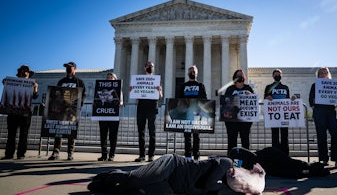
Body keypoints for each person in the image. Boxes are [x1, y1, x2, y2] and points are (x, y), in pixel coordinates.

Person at [87, 152, 266, 195]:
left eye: (244, 189)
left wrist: (255, 185)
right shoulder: (226, 163)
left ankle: (105, 189)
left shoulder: (227, 188)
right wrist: (258, 172)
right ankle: (110, 175)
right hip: (171, 165)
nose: (241, 187)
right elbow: (208, 184)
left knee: (136, 192)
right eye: (244, 183)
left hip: (172, 187)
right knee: (133, 180)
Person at [309, 67, 337, 168]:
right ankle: (323, 159)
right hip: (319, 112)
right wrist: (315, 104)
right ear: (318, 75)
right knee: (321, 136)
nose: (323, 74)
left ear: (328, 74)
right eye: (321, 73)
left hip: (331, 111)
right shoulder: (315, 85)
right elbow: (311, 100)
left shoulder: (333, 85)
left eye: (325, 73)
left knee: (336, 134)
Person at [48, 62, 86, 161]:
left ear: (75, 69)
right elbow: (56, 93)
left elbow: (83, 95)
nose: (68, 69)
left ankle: (70, 153)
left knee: (71, 131)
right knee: (59, 131)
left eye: (70, 67)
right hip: (61, 110)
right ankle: (56, 152)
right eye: (67, 68)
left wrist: (79, 106)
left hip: (72, 111)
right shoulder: (61, 81)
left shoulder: (79, 82)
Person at [1, 65, 39, 160]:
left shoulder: (32, 84)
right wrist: (6, 84)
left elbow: (35, 97)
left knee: (24, 134)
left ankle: (21, 154)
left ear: (29, 74)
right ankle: (9, 153)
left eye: (26, 71)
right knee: (11, 134)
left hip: (25, 113)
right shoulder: (12, 82)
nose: (25, 73)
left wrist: (35, 88)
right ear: (19, 72)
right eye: (23, 71)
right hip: (13, 112)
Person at [228, 146, 330, 179]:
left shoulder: (234, 153)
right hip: (266, 166)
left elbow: (250, 158)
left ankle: (312, 166)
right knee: (289, 172)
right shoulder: (233, 159)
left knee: (292, 164)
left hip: (268, 156)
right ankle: (311, 172)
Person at [131, 61, 163, 162]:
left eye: (152, 66)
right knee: (141, 132)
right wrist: (132, 90)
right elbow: (135, 94)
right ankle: (141, 155)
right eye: (149, 66)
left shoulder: (156, 80)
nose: (151, 67)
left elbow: (160, 96)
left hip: (152, 108)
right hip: (141, 107)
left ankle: (151, 155)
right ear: (145, 68)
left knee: (152, 132)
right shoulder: (139, 80)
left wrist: (159, 91)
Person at [177, 65, 207, 160]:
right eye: (190, 71)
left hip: (197, 115)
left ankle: (196, 156)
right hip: (186, 114)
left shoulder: (200, 86)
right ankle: (188, 156)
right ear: (187, 73)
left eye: (194, 71)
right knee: (187, 136)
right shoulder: (183, 86)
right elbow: (179, 100)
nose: (192, 72)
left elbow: (204, 100)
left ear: (197, 73)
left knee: (196, 136)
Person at [264, 69, 295, 155]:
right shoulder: (268, 87)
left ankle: (285, 155)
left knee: (285, 135)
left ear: (281, 76)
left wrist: (292, 99)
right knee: (275, 136)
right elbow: (265, 98)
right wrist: (267, 98)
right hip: (274, 115)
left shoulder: (285, 87)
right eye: (276, 74)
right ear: (273, 76)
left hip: (284, 115)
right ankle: (275, 155)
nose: (277, 76)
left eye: (279, 74)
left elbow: (287, 100)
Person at [224, 69, 254, 155]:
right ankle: (231, 161)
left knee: (245, 141)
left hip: (245, 120)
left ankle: (245, 162)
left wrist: (251, 95)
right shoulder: (230, 89)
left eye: (241, 75)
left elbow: (253, 103)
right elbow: (225, 102)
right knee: (231, 141)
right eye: (238, 75)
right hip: (232, 121)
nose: (240, 77)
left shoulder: (248, 88)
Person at [97, 72, 123, 161]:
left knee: (113, 135)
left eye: (111, 77)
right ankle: (104, 154)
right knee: (103, 135)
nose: (109, 79)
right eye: (108, 77)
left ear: (115, 80)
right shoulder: (101, 89)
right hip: (103, 114)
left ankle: (112, 154)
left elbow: (121, 101)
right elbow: (97, 98)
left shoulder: (118, 90)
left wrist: (120, 103)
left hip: (114, 115)